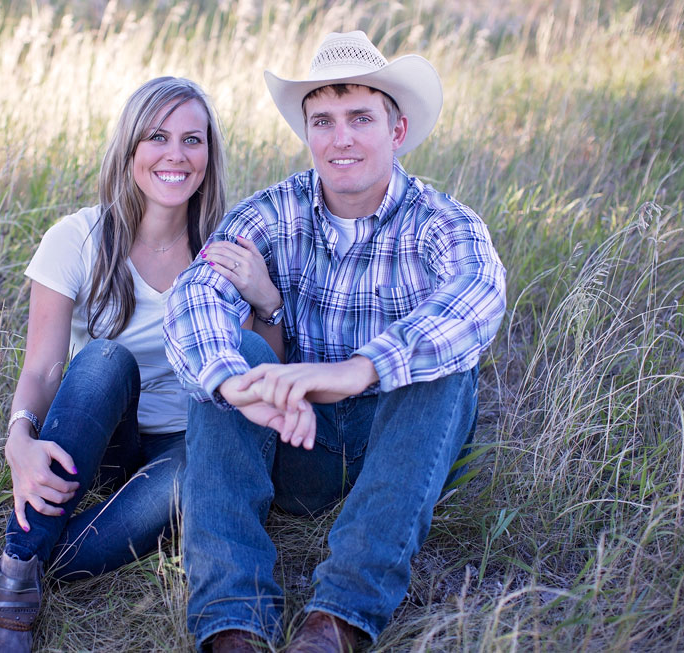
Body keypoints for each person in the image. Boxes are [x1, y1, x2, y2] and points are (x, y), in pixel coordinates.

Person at [0, 76, 281, 652]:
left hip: (187, 442)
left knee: (193, 476)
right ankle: (14, 571)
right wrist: (18, 437)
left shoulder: (230, 248)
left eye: (192, 140)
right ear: (129, 151)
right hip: (99, 440)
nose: (176, 155)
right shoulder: (76, 238)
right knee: (102, 358)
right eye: (157, 137)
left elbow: (262, 374)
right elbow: (45, 369)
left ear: (209, 155)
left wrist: (266, 298)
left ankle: (2, 587)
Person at [164, 31, 507, 652]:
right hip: (299, 439)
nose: (340, 138)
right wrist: (232, 381)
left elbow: (476, 295)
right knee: (230, 355)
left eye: (360, 118)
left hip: (400, 447)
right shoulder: (272, 212)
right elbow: (195, 295)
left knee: (443, 365)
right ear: (306, 132)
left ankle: (339, 618)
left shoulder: (441, 221)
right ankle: (232, 619)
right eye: (322, 120)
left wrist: (359, 369)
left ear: (396, 131)